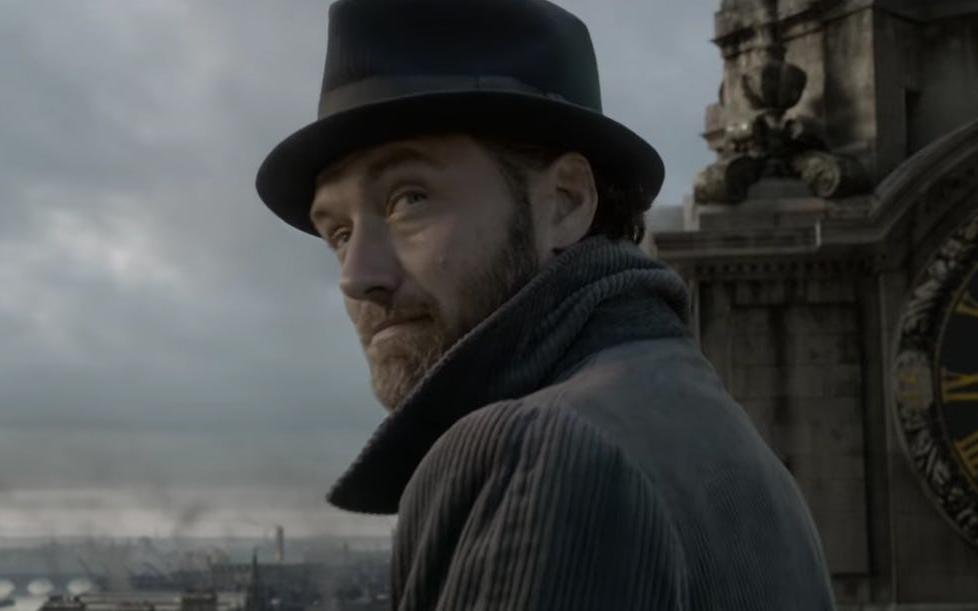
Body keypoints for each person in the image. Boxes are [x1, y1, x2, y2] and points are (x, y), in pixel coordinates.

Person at [254, 0, 835, 608]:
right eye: (338, 233)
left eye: (409, 199)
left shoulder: (536, 450)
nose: (355, 277)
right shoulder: (726, 442)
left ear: (565, 201)